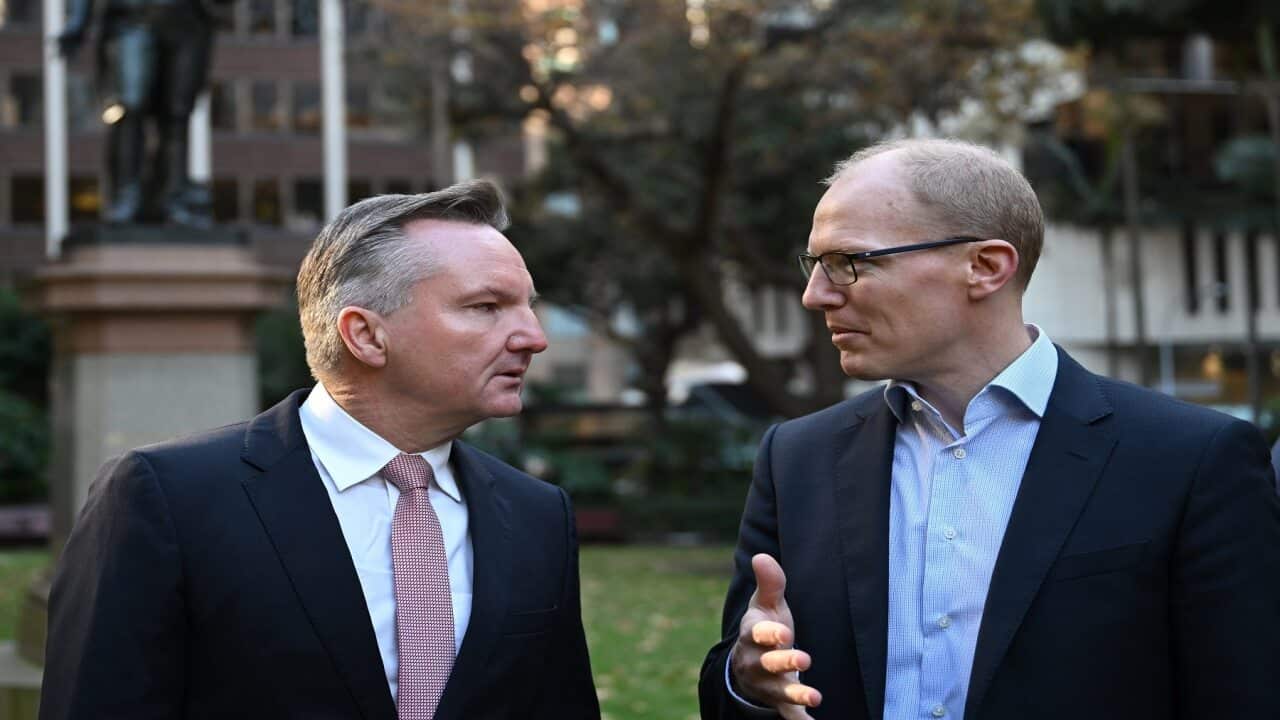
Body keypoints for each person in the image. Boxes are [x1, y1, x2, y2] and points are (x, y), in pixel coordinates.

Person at [699, 139, 1280, 720]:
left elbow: (1243, 693)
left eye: (851, 262)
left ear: (985, 267)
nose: (815, 294)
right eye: (815, 265)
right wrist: (745, 678)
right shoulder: (796, 457)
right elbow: (735, 681)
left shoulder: (1191, 459)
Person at [41, 180, 601, 719]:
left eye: (528, 306)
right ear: (365, 335)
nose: (533, 336)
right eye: (485, 307)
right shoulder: (166, 498)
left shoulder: (538, 515)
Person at [57, 0, 222, 226]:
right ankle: (127, 196)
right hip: (133, 18)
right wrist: (77, 19)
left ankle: (173, 197)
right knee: (131, 108)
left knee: (177, 115)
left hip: (187, 19)